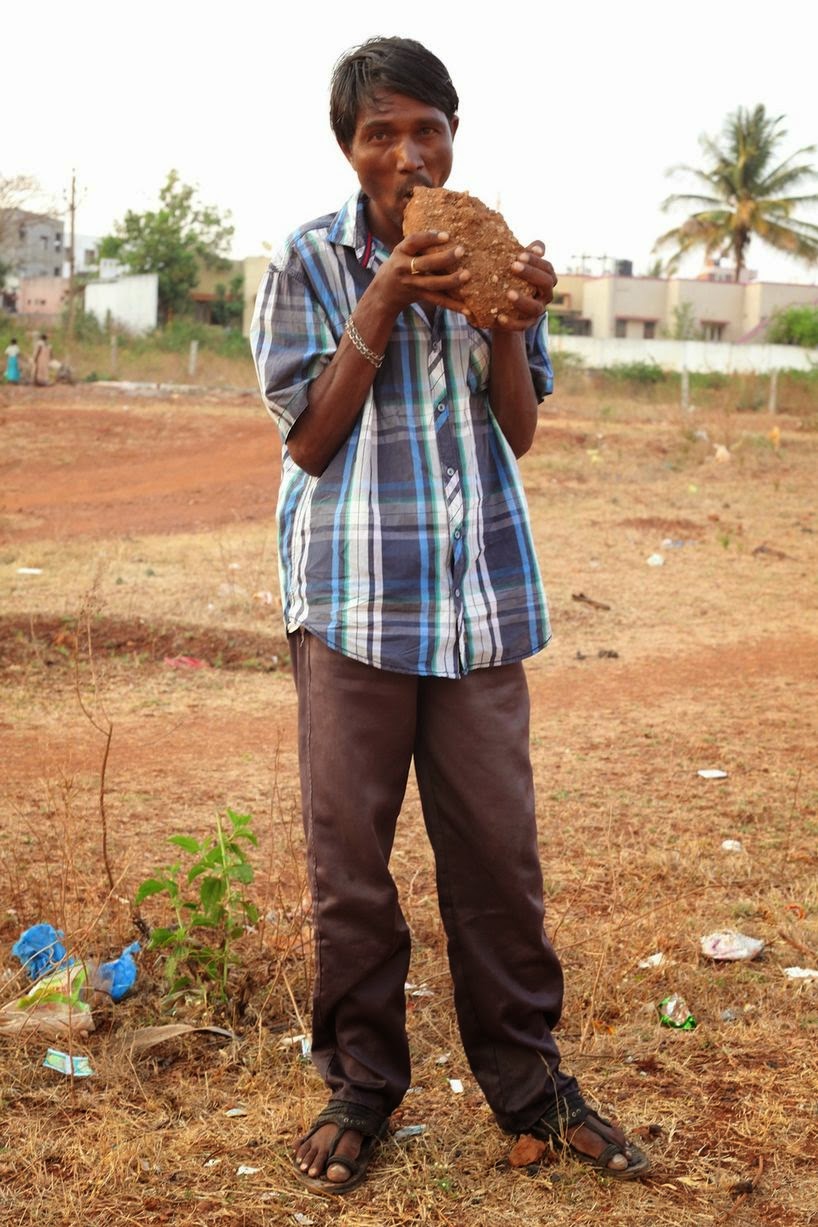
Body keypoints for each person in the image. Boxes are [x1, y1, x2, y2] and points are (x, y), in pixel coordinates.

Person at [251, 36, 649, 1195]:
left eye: (426, 128)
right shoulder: (309, 262)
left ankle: (528, 1085)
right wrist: (382, 295)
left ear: (451, 139)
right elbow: (309, 439)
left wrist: (510, 327)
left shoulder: (495, 261)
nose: (406, 153)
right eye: (382, 133)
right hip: (352, 604)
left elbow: (516, 432)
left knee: (496, 863)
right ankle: (364, 1086)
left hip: (474, 606)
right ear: (348, 149)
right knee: (351, 872)